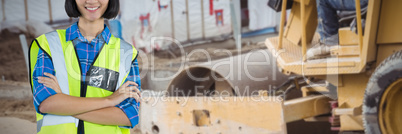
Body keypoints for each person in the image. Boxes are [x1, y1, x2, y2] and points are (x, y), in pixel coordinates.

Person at [28, 0, 141, 133]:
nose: (91, 1)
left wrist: (64, 105)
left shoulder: (126, 53)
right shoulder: (49, 45)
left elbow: (129, 116)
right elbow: (47, 104)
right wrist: (109, 101)